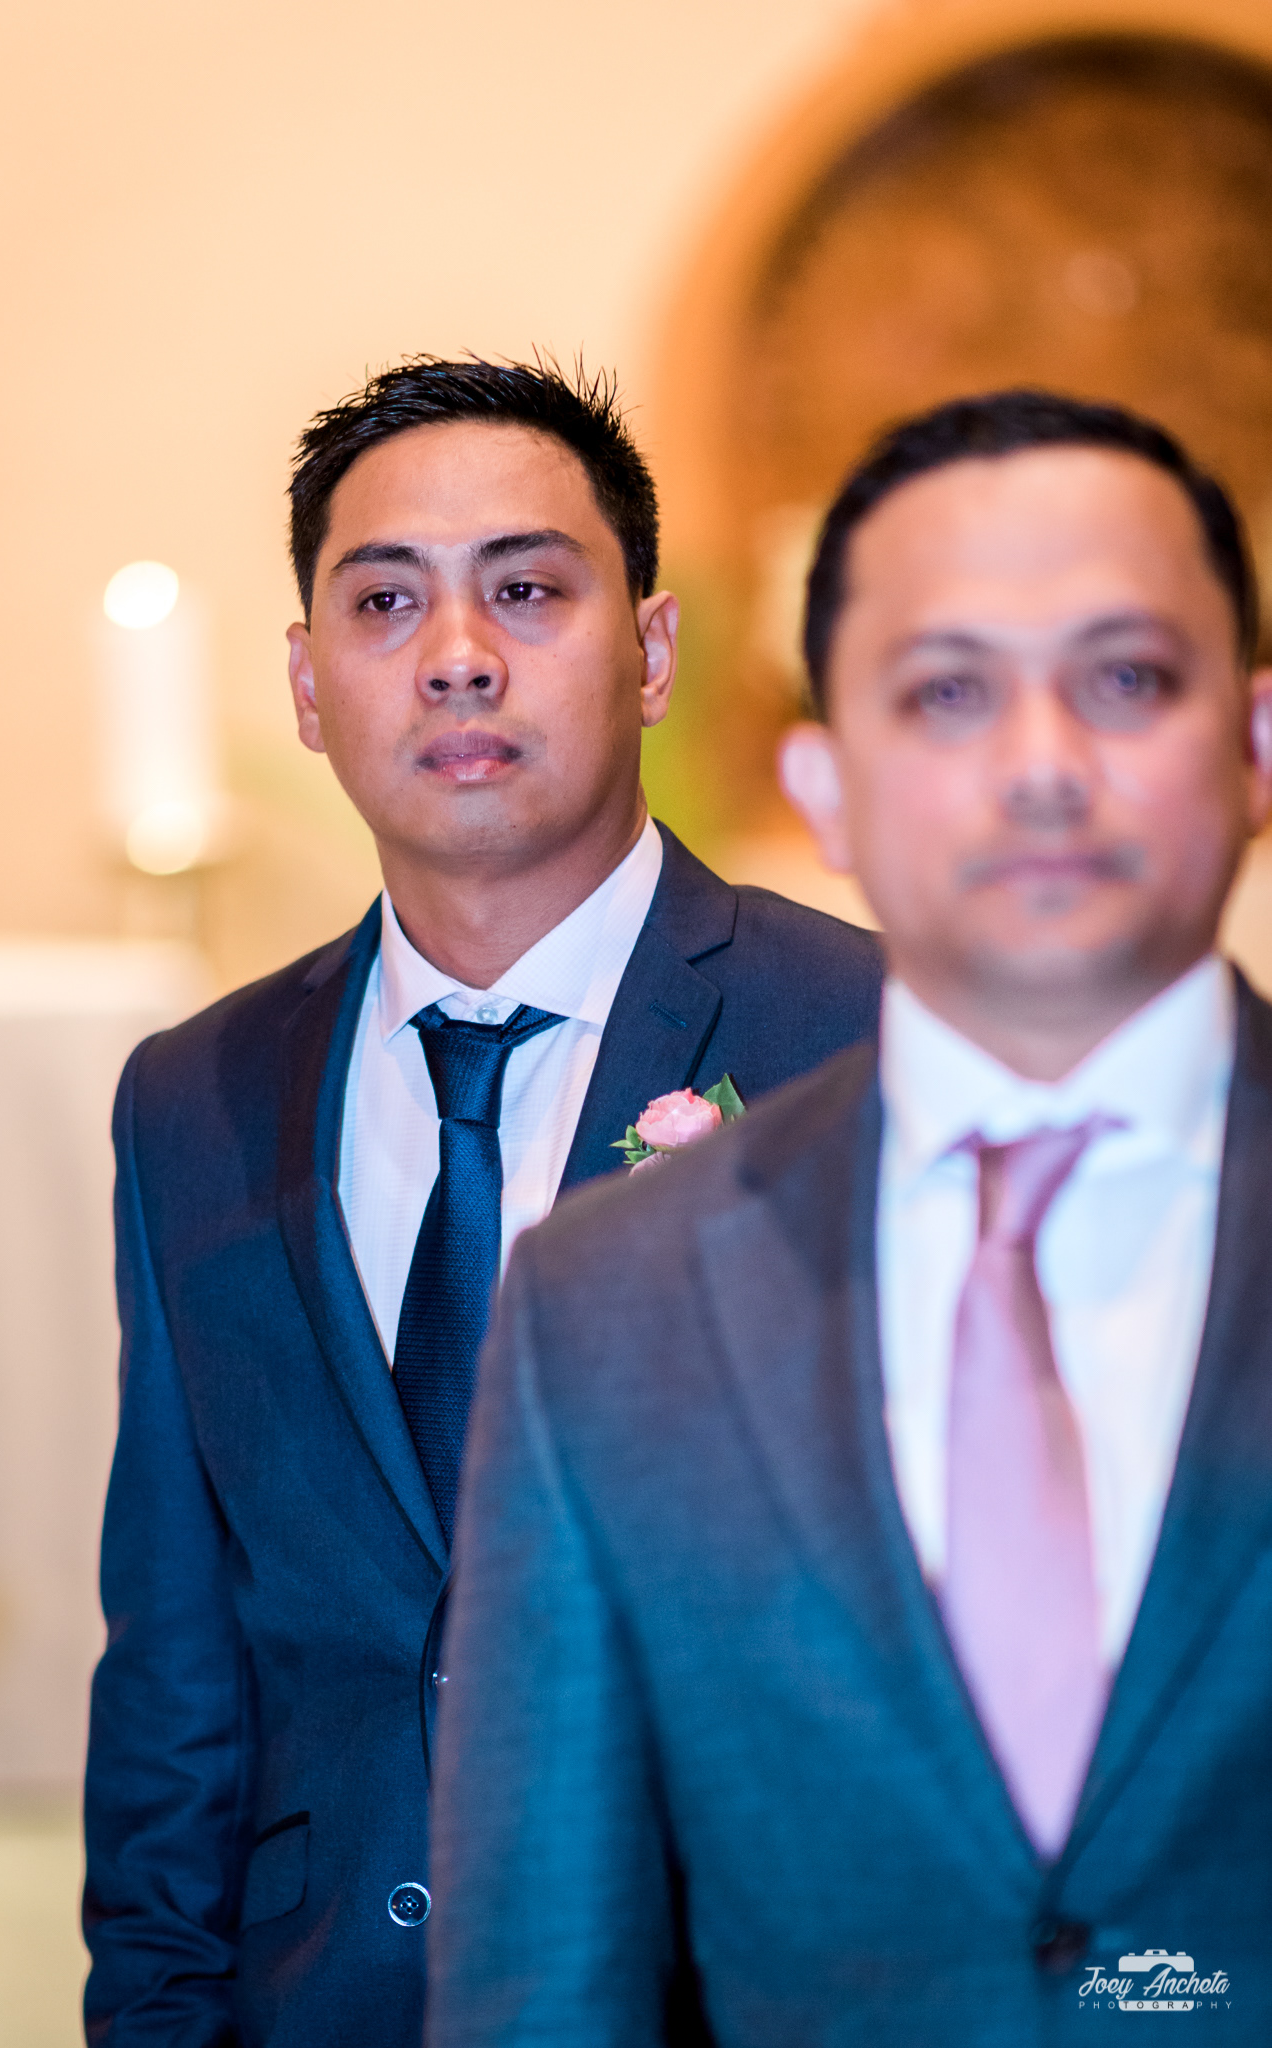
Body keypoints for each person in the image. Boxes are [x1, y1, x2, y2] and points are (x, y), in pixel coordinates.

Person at [427, 389, 1272, 2045]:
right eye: (948, 692)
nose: (1043, 767)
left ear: (1251, 747)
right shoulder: (611, 1306)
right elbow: (545, 1984)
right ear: (823, 784)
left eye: (1124, 679)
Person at [80, 356, 882, 2046]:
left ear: (651, 651)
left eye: (525, 589)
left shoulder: (869, 1043)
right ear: (309, 684)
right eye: (386, 602)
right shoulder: (195, 1100)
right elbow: (175, 1668)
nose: (457, 653)